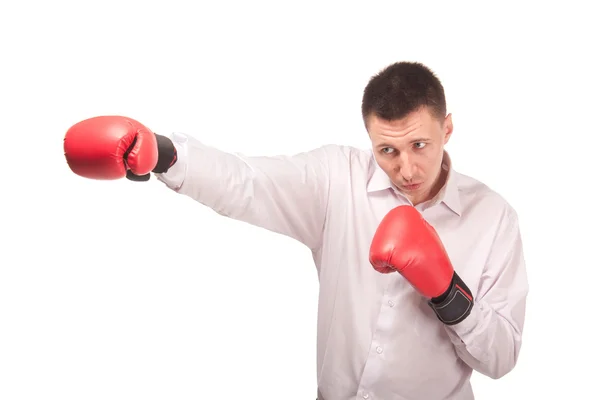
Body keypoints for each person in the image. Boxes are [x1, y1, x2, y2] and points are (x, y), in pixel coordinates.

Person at [63, 61, 529, 400]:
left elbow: (501, 359)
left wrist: (448, 292)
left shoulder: (493, 218)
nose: (406, 168)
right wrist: (164, 153)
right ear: (369, 139)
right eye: (387, 151)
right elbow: (247, 181)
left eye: (419, 145)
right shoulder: (336, 180)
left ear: (447, 128)